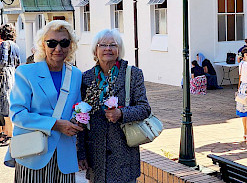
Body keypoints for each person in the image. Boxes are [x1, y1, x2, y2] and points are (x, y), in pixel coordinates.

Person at [4, 20, 83, 182]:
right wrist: (56, 124)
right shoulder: (26, 72)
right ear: (43, 45)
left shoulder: (76, 74)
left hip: (64, 155)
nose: (58, 48)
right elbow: (18, 114)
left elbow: (78, 108)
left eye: (64, 42)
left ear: (71, 45)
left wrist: (78, 121)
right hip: (32, 154)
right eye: (52, 43)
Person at [77, 29, 151, 183]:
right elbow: (81, 119)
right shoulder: (86, 78)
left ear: (119, 49)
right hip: (96, 157)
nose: (108, 49)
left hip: (124, 155)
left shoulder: (132, 74)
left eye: (113, 45)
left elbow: (144, 108)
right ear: (95, 50)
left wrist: (122, 114)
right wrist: (81, 153)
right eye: (103, 45)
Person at [0, 23, 21, 146]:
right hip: (12, 75)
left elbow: (2, 61)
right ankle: (10, 133)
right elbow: (18, 63)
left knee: (4, 104)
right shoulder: (16, 46)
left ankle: (8, 134)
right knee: (9, 103)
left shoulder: (4, 44)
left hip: (4, 76)